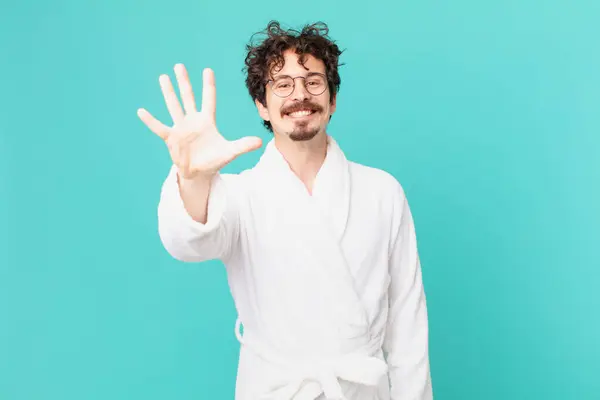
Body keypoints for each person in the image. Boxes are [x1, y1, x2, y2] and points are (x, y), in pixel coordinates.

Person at [138, 20, 432, 400]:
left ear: (333, 99)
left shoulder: (382, 192)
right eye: (283, 84)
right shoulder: (240, 195)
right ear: (262, 103)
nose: (300, 95)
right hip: (275, 389)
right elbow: (188, 243)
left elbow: (408, 328)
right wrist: (193, 179)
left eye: (313, 81)